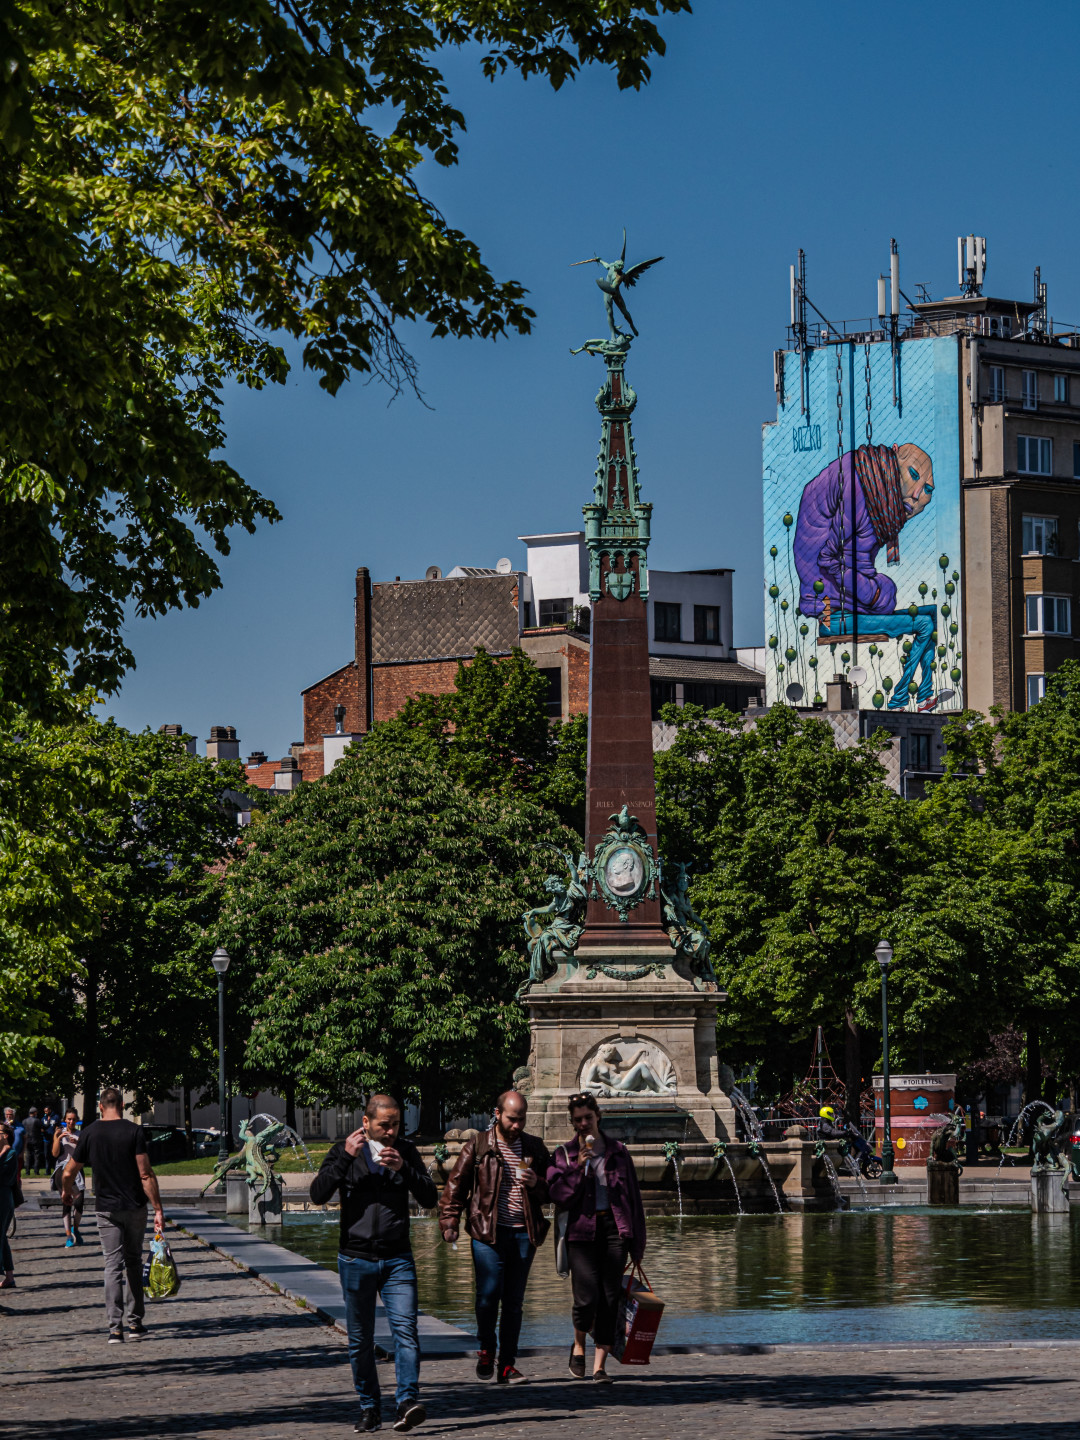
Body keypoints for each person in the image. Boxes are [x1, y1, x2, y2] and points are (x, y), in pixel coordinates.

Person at [310, 1095, 437, 1434]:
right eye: (384, 1124)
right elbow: (318, 1194)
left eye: (396, 1124)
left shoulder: (405, 1152)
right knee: (360, 1340)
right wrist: (346, 1159)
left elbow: (430, 1197)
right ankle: (369, 1408)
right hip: (356, 1258)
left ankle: (407, 1401)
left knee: (407, 1332)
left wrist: (404, 1169)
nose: (391, 1130)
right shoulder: (343, 1151)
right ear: (366, 1122)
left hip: (398, 1259)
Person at [793, 442, 941, 711]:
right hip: (831, 611)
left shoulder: (875, 490)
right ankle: (901, 697)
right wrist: (873, 593)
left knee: (930, 615)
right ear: (894, 457)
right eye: (914, 475)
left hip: (848, 599)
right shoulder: (861, 490)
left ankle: (924, 695)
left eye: (928, 489)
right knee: (922, 625)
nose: (918, 494)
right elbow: (829, 559)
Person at [439, 1090, 552, 1385]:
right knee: (488, 1297)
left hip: (523, 1233)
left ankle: (507, 1365)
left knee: (514, 1303)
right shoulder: (478, 1146)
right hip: (486, 1233)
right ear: (498, 1114)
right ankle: (487, 1349)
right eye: (512, 1119)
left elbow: (553, 1190)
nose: (517, 1125)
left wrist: (537, 1182)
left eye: (522, 1119)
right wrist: (449, 1221)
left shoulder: (535, 1148)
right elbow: (455, 1188)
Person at [547, 1092, 646, 1383]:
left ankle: (600, 1366)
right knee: (585, 1299)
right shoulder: (564, 1154)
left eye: (587, 1118)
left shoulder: (618, 1151)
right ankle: (578, 1344)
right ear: (572, 1122)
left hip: (615, 1230)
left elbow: (634, 1200)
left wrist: (637, 1243)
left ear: (598, 1116)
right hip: (581, 1230)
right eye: (577, 1120)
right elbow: (558, 1194)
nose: (583, 1124)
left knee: (609, 1298)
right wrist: (579, 1168)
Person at [62, 1087, 164, 1343]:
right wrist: (159, 1208)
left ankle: (114, 1328)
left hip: (106, 1208)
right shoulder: (133, 1131)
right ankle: (135, 1323)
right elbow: (145, 1173)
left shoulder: (90, 1133)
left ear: (100, 1106)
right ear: (121, 1104)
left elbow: (68, 1172)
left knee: (112, 1265)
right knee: (133, 1261)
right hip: (134, 1206)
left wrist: (66, 1193)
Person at [53, 1109, 85, 1247]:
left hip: (77, 1169)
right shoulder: (60, 1133)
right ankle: (68, 1236)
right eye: (68, 1119)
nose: (71, 1122)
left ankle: (75, 1229)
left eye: (73, 1119)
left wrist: (78, 1144)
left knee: (79, 1202)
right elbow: (54, 1154)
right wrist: (58, 1138)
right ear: (65, 1120)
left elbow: (86, 1154)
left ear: (76, 1120)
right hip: (62, 1169)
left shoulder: (81, 1135)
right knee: (66, 1202)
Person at [0, 1122, 18, 1289]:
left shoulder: (10, 1153)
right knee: (2, 1238)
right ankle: (10, 1277)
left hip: (3, 1198)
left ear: (5, 1135)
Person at [22, 1108, 45, 1176]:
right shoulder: (37, 1120)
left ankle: (27, 1171)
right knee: (37, 1156)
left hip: (27, 1140)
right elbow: (43, 1127)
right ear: (34, 1112)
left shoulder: (24, 1121)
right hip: (36, 1140)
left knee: (27, 1156)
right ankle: (36, 1171)